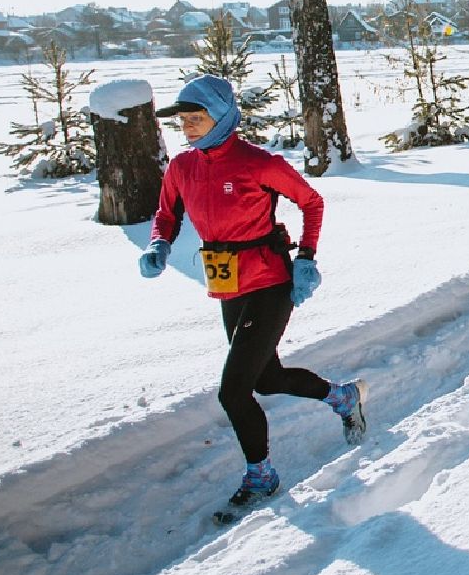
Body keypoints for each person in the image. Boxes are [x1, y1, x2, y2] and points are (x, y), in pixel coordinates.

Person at [138, 74, 366, 518]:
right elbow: (166, 214)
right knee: (265, 378)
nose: (187, 127)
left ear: (221, 117)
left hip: (270, 280)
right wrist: (158, 245)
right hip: (227, 284)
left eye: (196, 118)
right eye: (183, 120)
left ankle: (261, 476)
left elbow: (311, 202)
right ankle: (342, 398)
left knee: (233, 390)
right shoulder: (182, 168)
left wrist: (306, 257)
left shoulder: (258, 162)